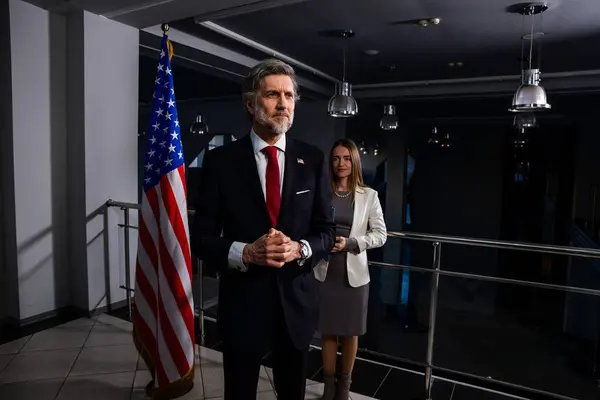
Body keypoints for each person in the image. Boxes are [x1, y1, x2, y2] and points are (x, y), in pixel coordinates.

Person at [191, 58, 335, 400]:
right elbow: (201, 238)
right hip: (243, 304)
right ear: (250, 103)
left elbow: (327, 231)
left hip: (296, 307)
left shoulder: (312, 159)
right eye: (272, 94)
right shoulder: (220, 161)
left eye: (289, 95)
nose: (283, 103)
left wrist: (300, 248)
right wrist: (246, 252)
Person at [313, 138, 387, 400]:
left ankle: (344, 388)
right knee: (328, 331)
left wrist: (353, 243)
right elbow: (312, 226)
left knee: (350, 332)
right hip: (326, 270)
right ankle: (328, 386)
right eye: (335, 158)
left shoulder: (370, 196)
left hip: (353, 273)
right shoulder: (322, 191)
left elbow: (380, 235)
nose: (340, 163)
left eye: (346, 158)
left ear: (354, 161)